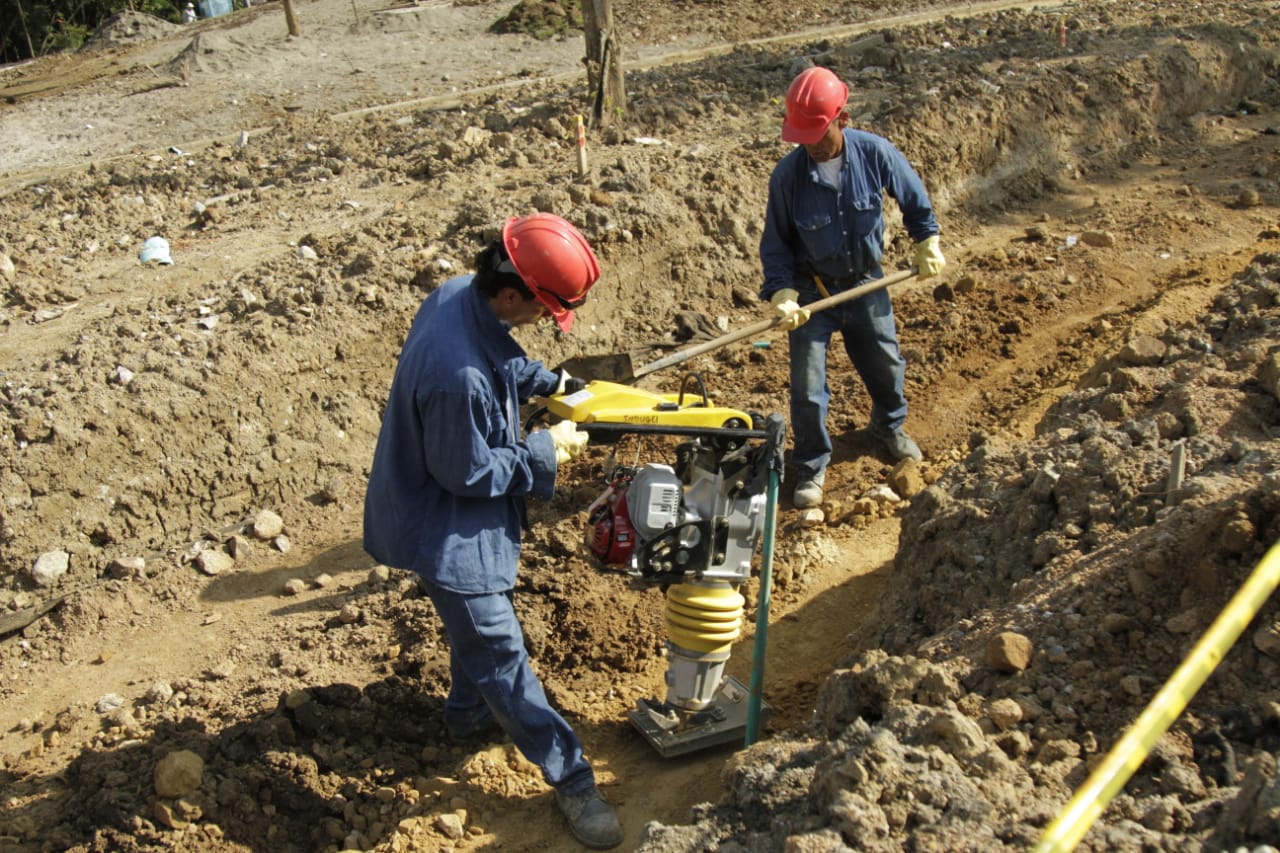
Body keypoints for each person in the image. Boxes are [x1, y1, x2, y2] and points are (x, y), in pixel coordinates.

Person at [363, 212, 623, 850]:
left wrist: (552, 382)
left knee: (475, 636)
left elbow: (502, 354)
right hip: (447, 527)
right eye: (543, 310)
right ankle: (573, 780)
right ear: (514, 293)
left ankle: (466, 718)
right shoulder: (459, 379)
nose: (541, 321)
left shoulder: (459, 293)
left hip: (445, 504)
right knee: (500, 651)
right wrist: (548, 449)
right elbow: (469, 470)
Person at [759, 65, 946, 509]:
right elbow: (776, 245)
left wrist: (928, 242)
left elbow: (916, 203)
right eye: (802, 136)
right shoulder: (787, 177)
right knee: (807, 387)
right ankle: (810, 464)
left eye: (817, 134)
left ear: (842, 118)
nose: (810, 145)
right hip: (812, 291)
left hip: (864, 282)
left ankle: (888, 427)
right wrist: (783, 293)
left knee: (886, 365)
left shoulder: (876, 153)